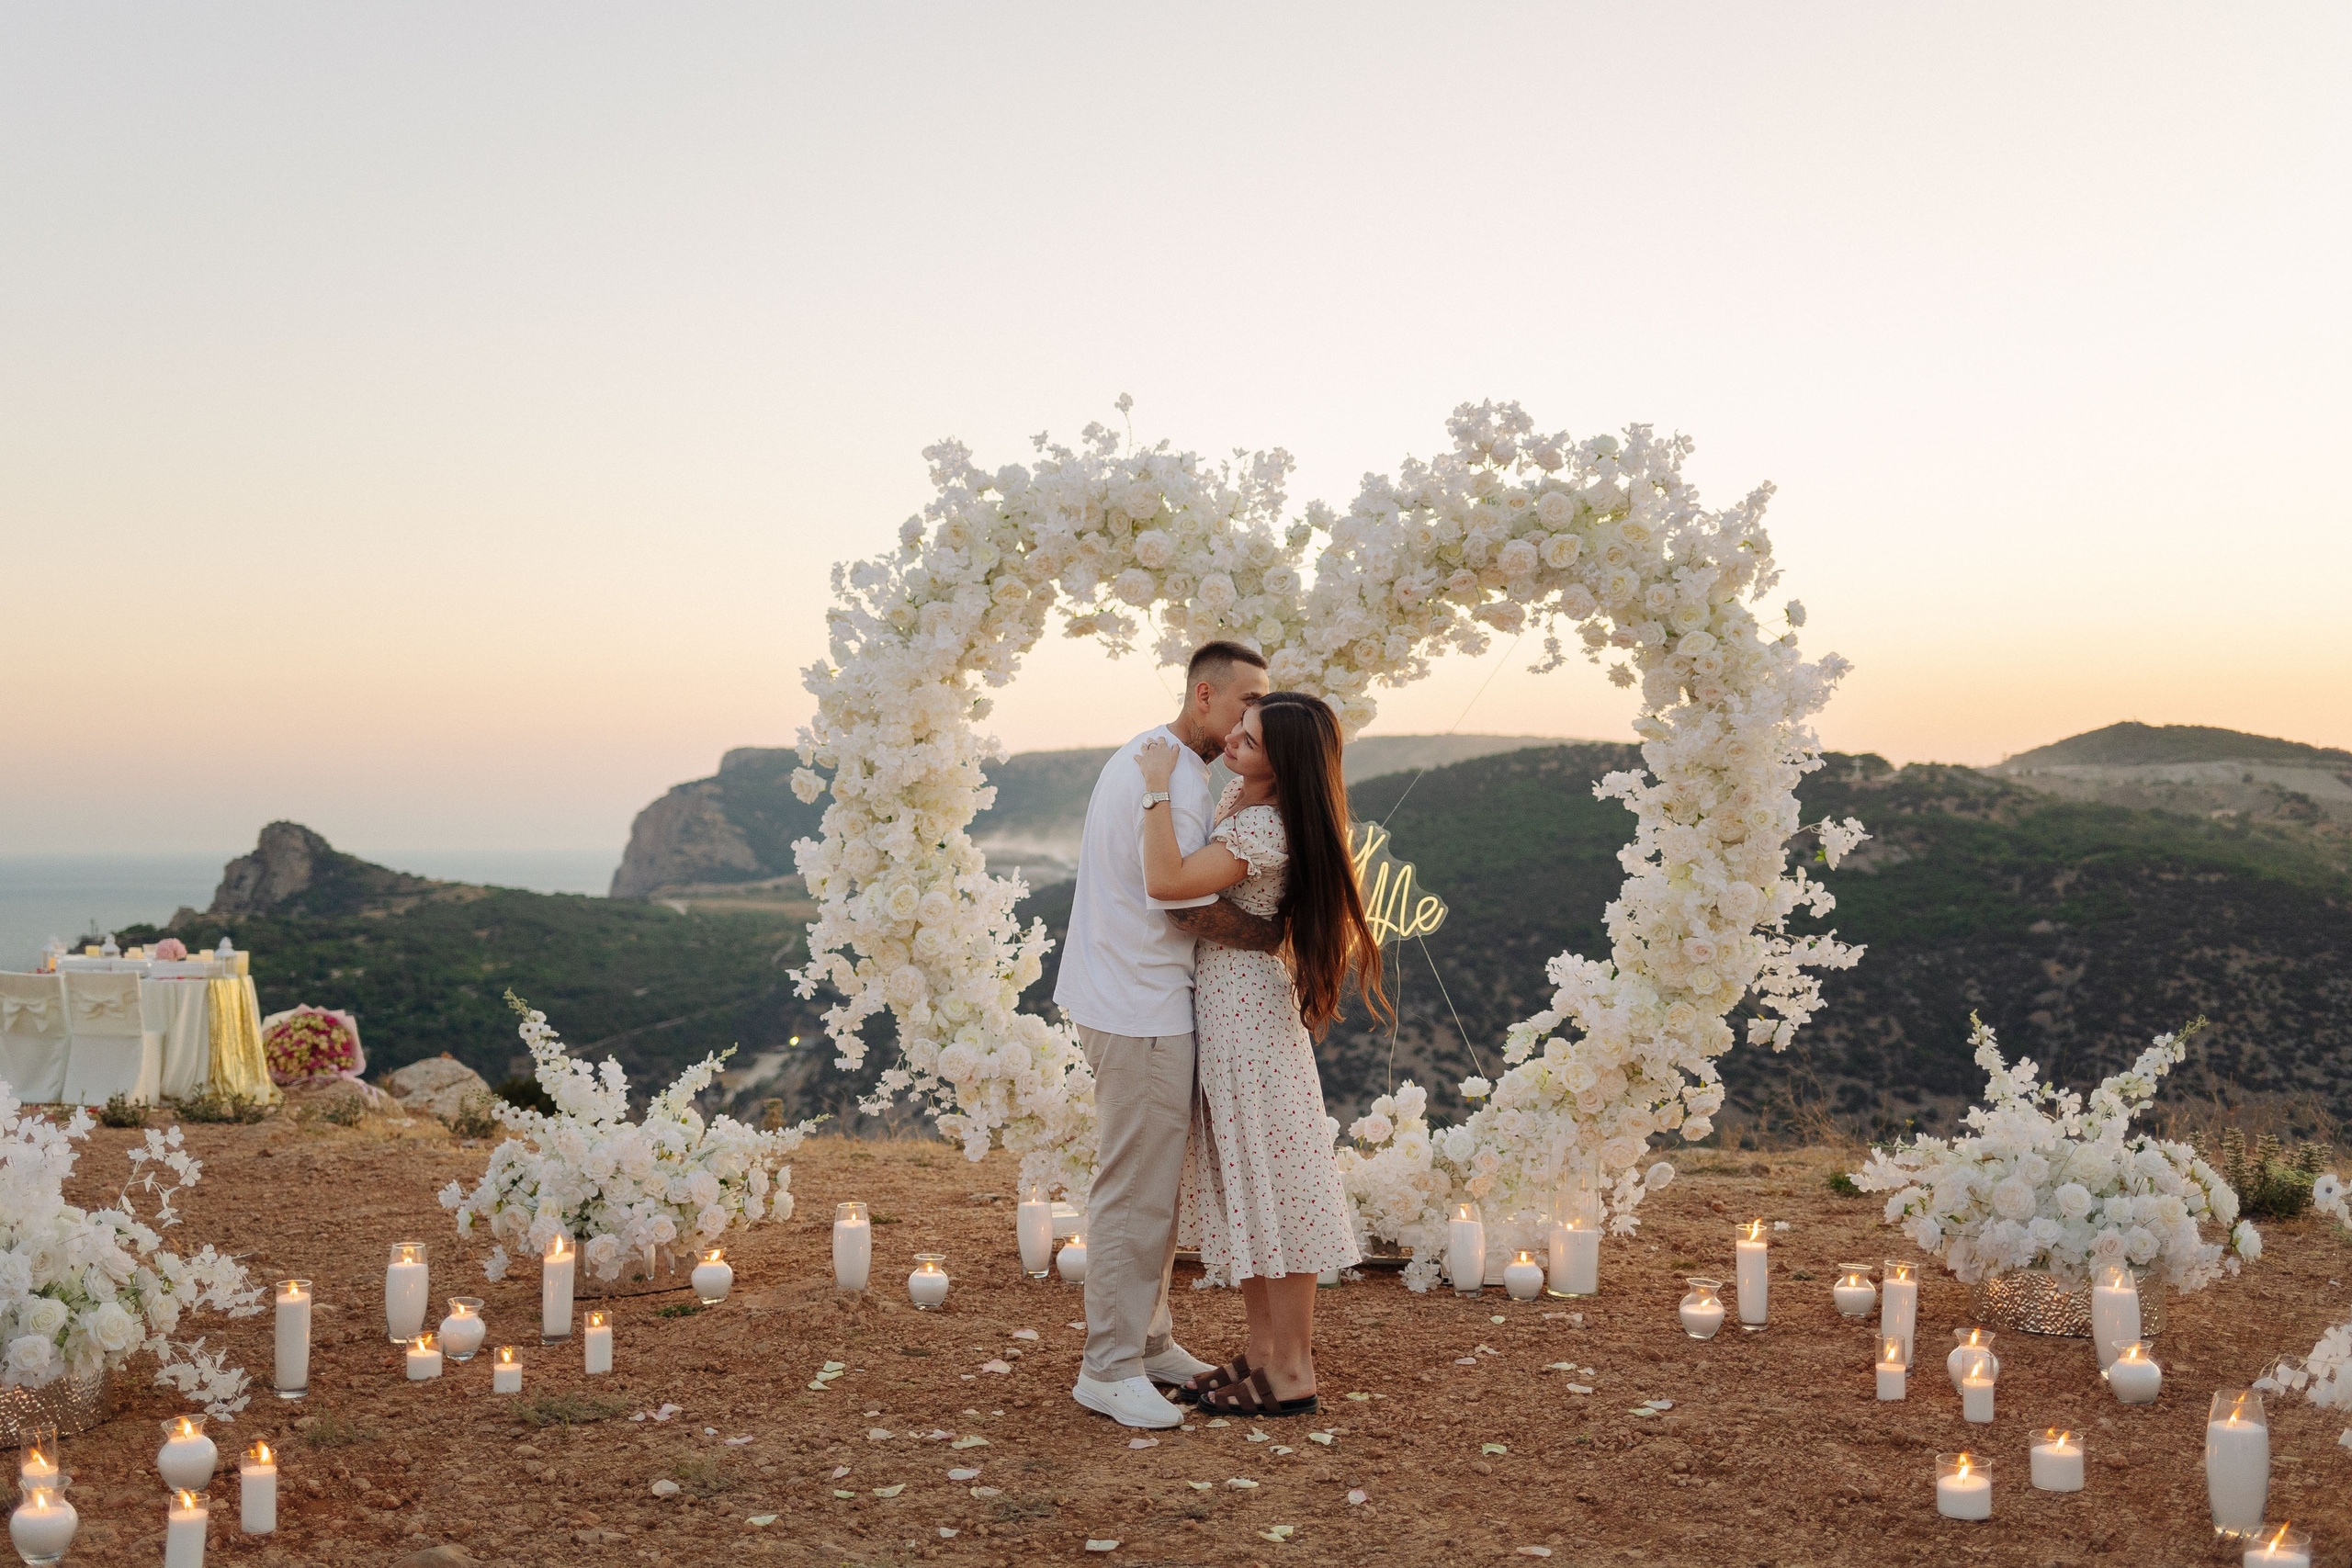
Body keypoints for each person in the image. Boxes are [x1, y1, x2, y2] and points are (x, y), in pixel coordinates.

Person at [1053, 640, 1285, 1429]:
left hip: (1126, 994)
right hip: (1140, 1005)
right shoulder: (1176, 780)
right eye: (1246, 700)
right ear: (1205, 694)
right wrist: (1270, 933)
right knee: (1135, 1190)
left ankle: (1148, 1343)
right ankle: (1108, 1366)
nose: (1254, 715)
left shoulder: (1160, 759)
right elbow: (1180, 901)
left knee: (1156, 1186)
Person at [1136, 690, 1387, 1417]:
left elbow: (1167, 882)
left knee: (1277, 1184)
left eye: (1249, 741)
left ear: (1284, 766)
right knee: (1251, 1188)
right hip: (1231, 1011)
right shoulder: (1247, 804)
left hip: (1250, 1021)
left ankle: (1294, 1369)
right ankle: (1264, 1352)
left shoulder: (1266, 825)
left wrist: (1155, 787)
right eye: (1238, 731)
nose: (1232, 745)